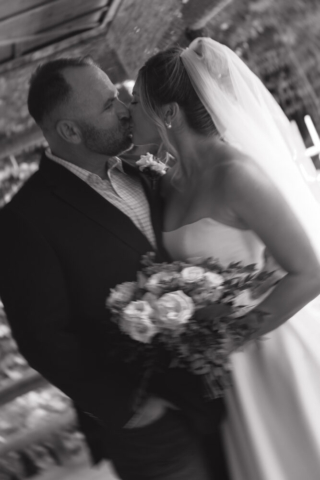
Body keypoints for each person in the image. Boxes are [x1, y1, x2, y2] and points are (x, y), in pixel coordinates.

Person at [0, 56, 231, 480]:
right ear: (69, 131)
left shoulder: (140, 171)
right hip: (150, 428)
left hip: (216, 394)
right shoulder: (25, 220)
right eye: (108, 105)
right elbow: (42, 338)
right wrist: (129, 408)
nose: (126, 107)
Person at [130, 37, 320, 480]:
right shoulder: (169, 182)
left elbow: (310, 272)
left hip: (273, 349)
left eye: (138, 101)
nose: (128, 109)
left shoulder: (237, 175)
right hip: (223, 369)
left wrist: (227, 340)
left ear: (169, 114)